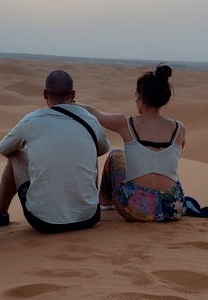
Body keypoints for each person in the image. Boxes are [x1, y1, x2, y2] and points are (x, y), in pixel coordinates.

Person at [0, 69, 110, 233]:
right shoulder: (90, 119)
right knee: (89, 149)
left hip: (44, 221)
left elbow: (4, 148)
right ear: (73, 94)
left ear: (45, 94)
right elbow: (104, 148)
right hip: (89, 217)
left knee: (17, 154)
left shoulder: (32, 120)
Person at [78, 64, 187, 222]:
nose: (135, 99)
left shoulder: (127, 124)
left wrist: (70, 103)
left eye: (136, 95)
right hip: (172, 207)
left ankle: (106, 203)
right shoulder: (179, 128)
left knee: (116, 155)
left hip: (135, 208)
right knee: (172, 168)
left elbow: (94, 113)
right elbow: (180, 148)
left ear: (142, 97)